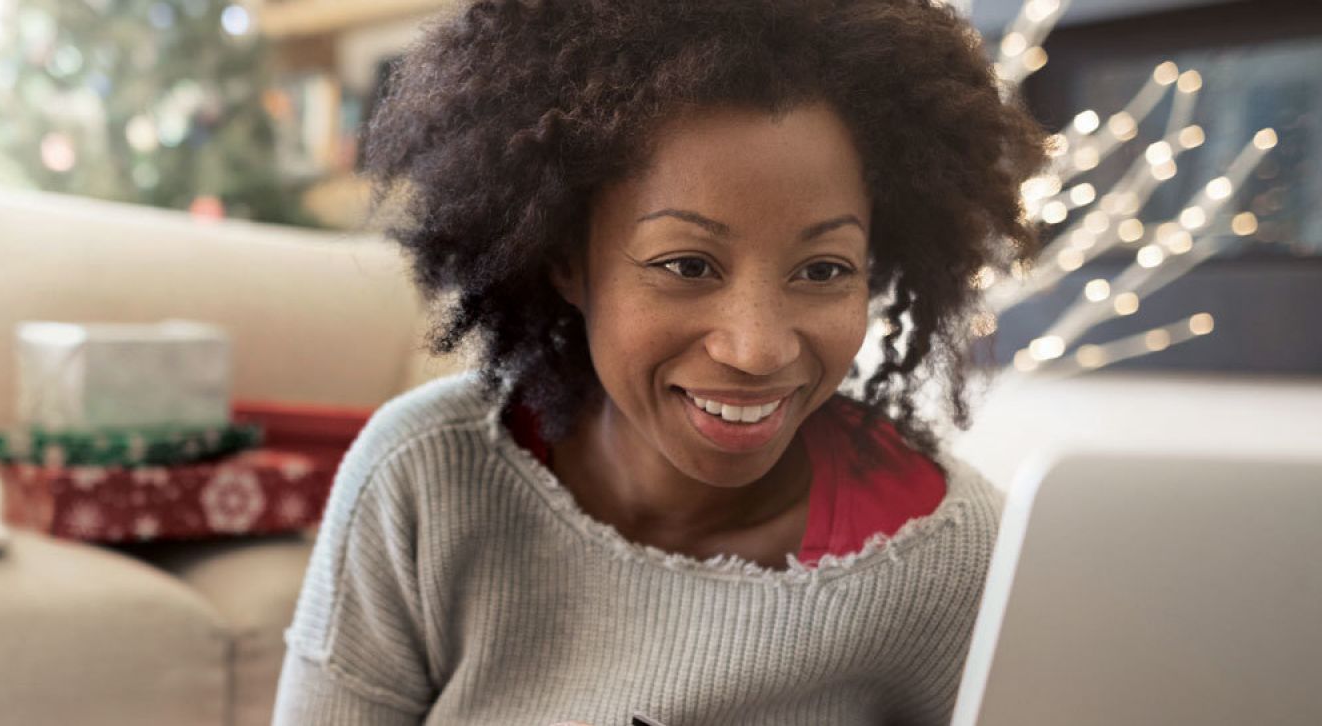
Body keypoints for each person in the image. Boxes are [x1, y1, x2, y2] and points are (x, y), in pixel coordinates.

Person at [273, 0, 1045, 723]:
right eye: (686, 265)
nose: (757, 348)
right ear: (566, 263)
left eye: (822, 271)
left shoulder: (956, 559)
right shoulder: (422, 480)